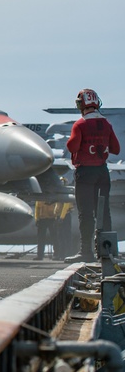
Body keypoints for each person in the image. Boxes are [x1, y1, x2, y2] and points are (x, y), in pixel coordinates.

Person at [64, 89, 120, 263]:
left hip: (85, 173)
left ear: (81, 104)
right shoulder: (107, 124)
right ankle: (106, 250)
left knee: (85, 214)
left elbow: (72, 147)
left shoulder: (80, 125)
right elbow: (116, 149)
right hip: (103, 173)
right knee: (104, 212)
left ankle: (85, 252)